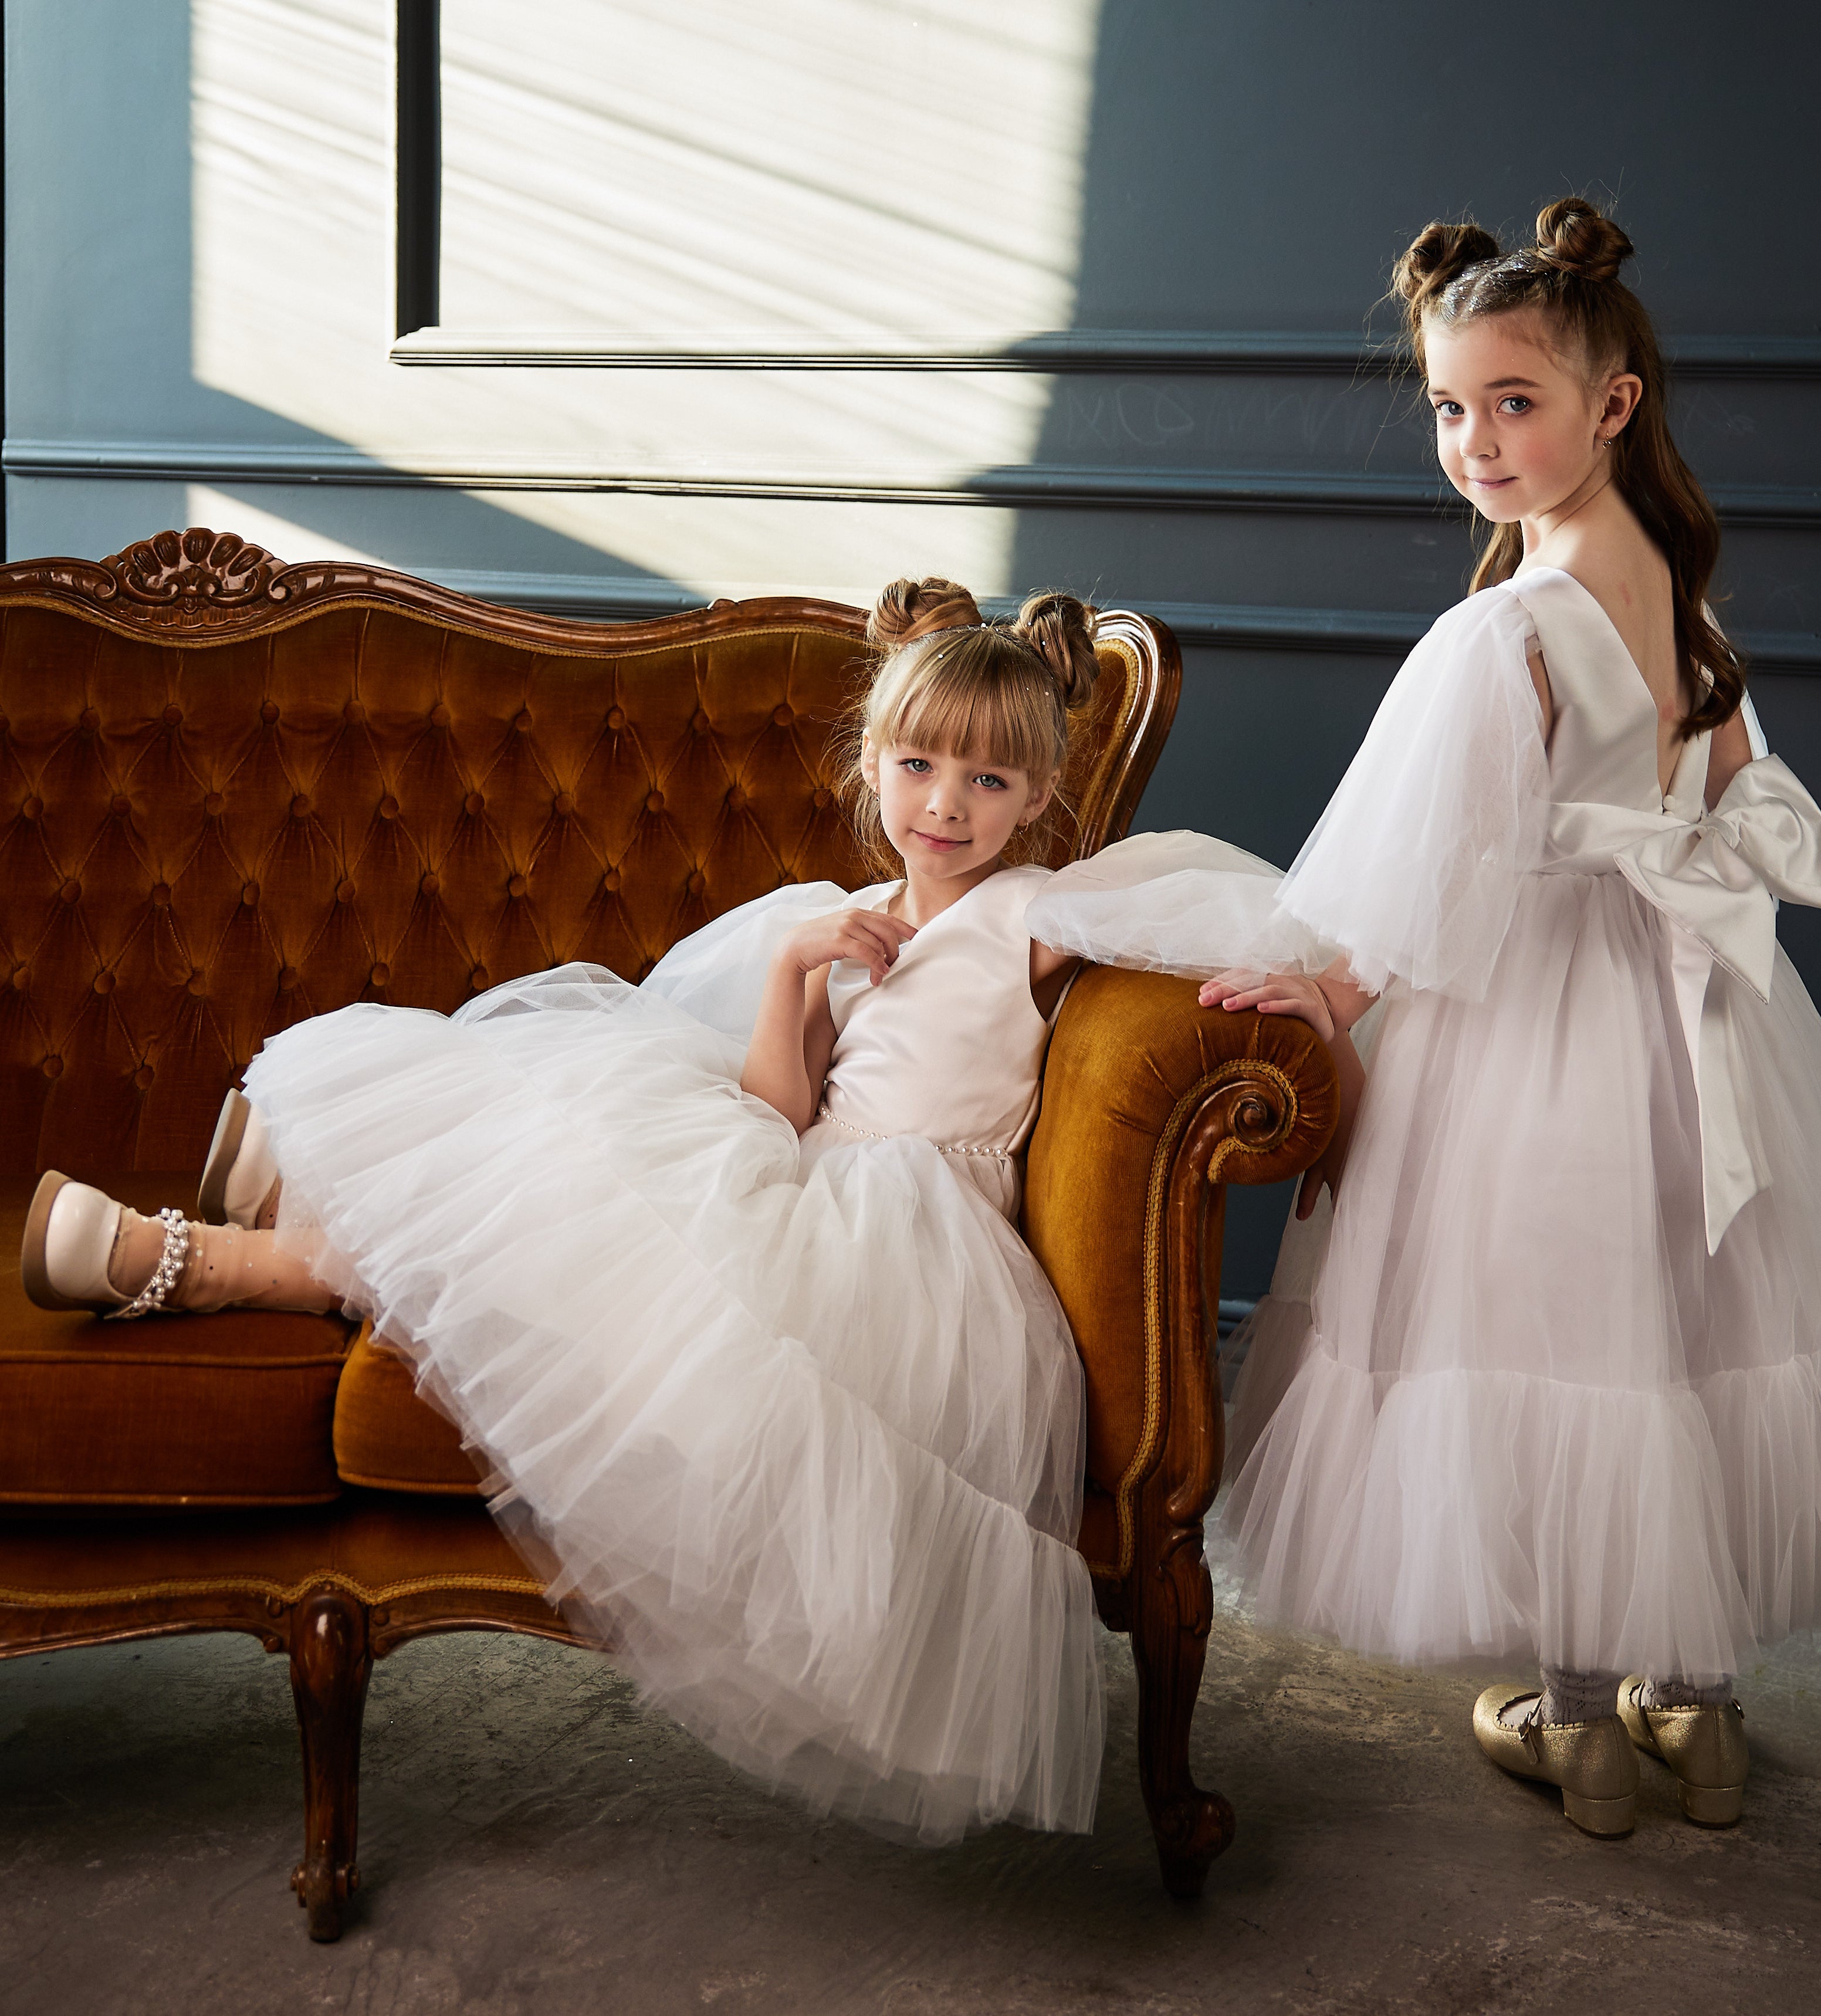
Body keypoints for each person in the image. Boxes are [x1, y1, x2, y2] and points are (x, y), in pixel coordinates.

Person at [1030, 199, 1821, 1837]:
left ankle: (1583, 1727)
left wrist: (1324, 986)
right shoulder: (1686, 607)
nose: (1473, 441)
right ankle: (1693, 1710)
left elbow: (1429, 873)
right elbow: (1716, 800)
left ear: (1609, 402)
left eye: (1512, 401)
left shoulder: (1500, 630)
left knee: (1555, 1332)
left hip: (1532, 1025)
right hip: (1696, 1018)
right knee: (1689, 1334)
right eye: (1445, 407)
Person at [21, 578, 1123, 1846]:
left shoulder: (1030, 915)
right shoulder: (849, 923)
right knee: (569, 1156)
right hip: (803, 1167)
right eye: (919, 764)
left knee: (570, 1246)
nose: (944, 805)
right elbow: (777, 1108)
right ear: (870, 762)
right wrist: (790, 967)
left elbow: (1212, 907)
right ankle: (249, 1217)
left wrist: (1317, 997)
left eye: (988, 782)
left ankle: (215, 1248)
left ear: (1038, 796)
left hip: (904, 1235)